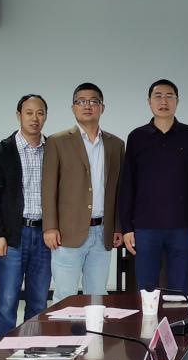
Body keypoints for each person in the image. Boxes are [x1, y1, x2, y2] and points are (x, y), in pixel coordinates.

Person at [42, 83, 125, 303]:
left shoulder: (116, 144)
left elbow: (118, 189)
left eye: (93, 101)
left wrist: (117, 226)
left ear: (102, 107)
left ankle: (94, 328)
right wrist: (50, 227)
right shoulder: (57, 141)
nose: (87, 106)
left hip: (102, 231)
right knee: (65, 296)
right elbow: (48, 187)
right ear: (73, 107)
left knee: (97, 296)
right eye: (81, 101)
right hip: (67, 232)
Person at [119, 79, 188, 293]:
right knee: (146, 290)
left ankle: (179, 318)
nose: (163, 101)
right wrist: (127, 227)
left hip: (183, 226)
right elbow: (128, 184)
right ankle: (148, 318)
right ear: (149, 102)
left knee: (180, 290)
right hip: (146, 227)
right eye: (158, 96)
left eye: (169, 96)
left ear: (177, 101)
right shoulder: (137, 137)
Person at [0, 94, 51, 338]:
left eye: (40, 113)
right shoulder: (3, 150)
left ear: (45, 116)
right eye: (29, 113)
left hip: (44, 236)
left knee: (39, 300)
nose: (35, 118)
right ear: (18, 115)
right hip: (13, 236)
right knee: (7, 300)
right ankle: (2, 351)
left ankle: (32, 349)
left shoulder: (52, 149)